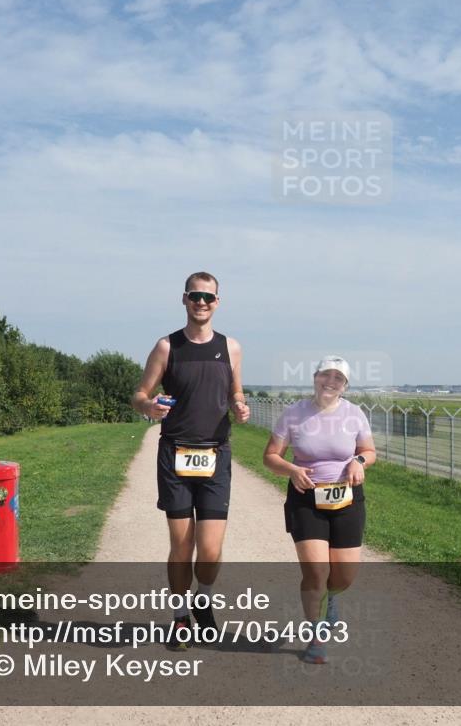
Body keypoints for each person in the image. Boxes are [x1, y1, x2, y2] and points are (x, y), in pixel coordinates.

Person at [132, 272, 249, 650]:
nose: (202, 302)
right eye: (195, 296)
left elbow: (235, 391)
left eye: (208, 297)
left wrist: (240, 405)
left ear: (218, 302)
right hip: (175, 453)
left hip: (216, 453)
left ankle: (204, 597)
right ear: (184, 299)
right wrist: (148, 405)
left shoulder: (230, 347)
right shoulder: (167, 346)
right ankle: (180, 615)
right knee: (182, 545)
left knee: (211, 549)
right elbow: (139, 393)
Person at [262, 356, 376, 664]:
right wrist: (291, 470)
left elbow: (368, 451)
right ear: (315, 377)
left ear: (345, 386)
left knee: (344, 576)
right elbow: (270, 456)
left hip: (347, 500)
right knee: (316, 572)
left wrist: (359, 462)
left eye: (338, 378)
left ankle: (334, 598)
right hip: (306, 500)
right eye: (326, 375)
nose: (331, 382)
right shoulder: (294, 414)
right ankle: (316, 635)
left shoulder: (354, 415)